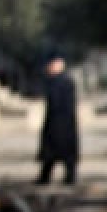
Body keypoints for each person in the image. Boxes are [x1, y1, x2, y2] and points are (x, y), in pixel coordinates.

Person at [35, 54, 79, 185]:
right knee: (50, 153)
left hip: (64, 121)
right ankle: (45, 177)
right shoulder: (52, 80)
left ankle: (69, 177)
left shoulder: (65, 81)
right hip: (54, 121)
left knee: (64, 152)